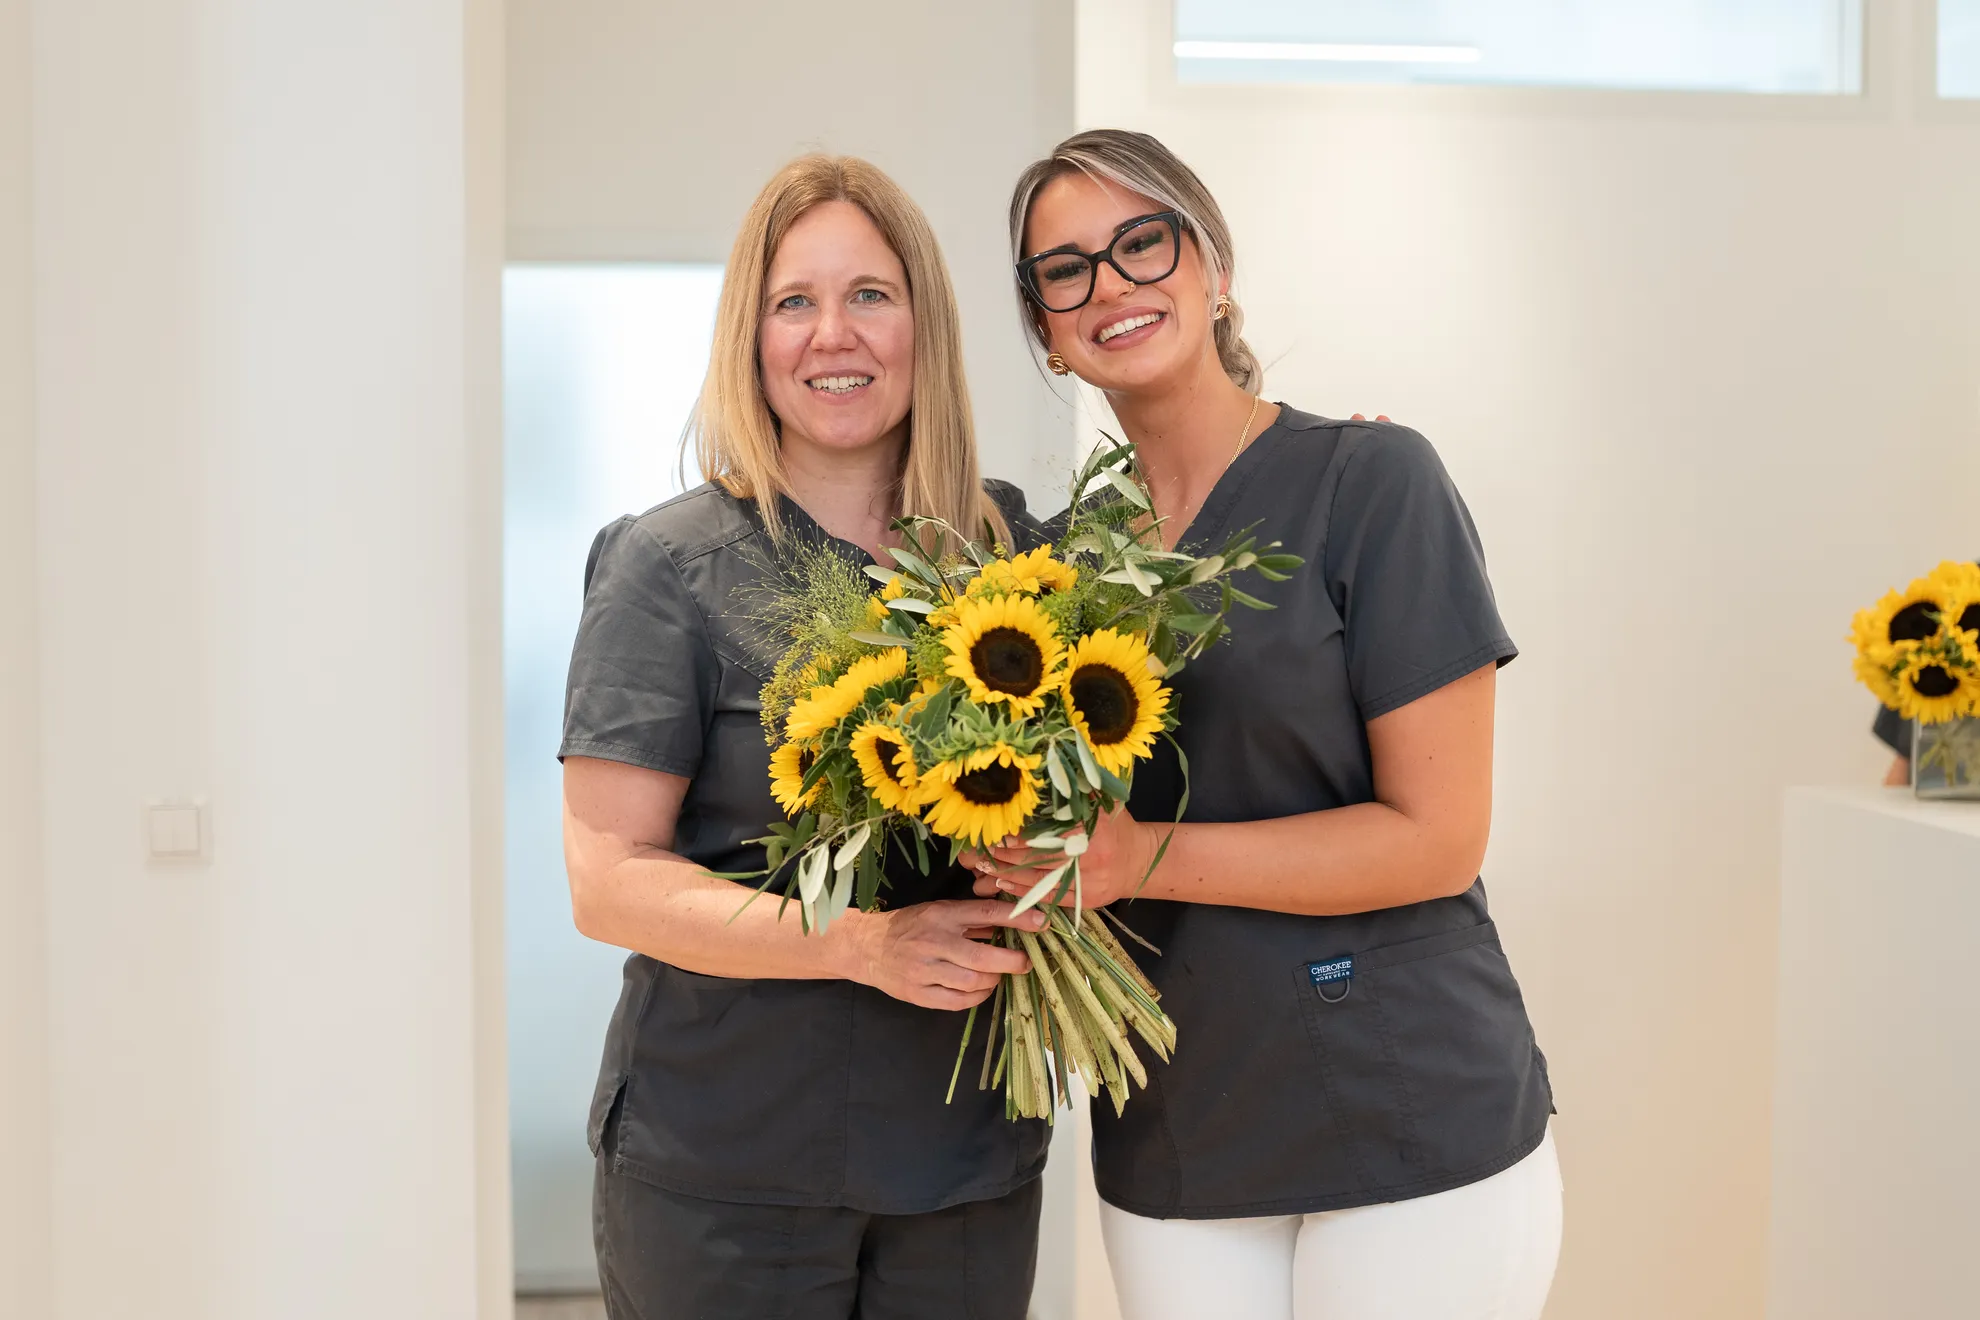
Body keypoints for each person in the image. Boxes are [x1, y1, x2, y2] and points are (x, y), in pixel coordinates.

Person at [978, 129, 1562, 1320]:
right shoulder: (1051, 567)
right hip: (1178, 1125)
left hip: (1408, 1119)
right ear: (1045, 328)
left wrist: (1140, 858)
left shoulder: (1373, 482)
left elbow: (1440, 837)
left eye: (1144, 242)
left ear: (1215, 265)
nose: (1113, 285)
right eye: (1067, 268)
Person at [561, 154, 1052, 1320]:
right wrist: (861, 946)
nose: (835, 334)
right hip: (723, 1172)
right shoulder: (666, 567)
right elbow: (607, 882)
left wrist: (1307, 466)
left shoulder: (1010, 551)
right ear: (753, 338)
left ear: (923, 322)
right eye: (796, 302)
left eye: (871, 295)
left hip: (962, 1167)